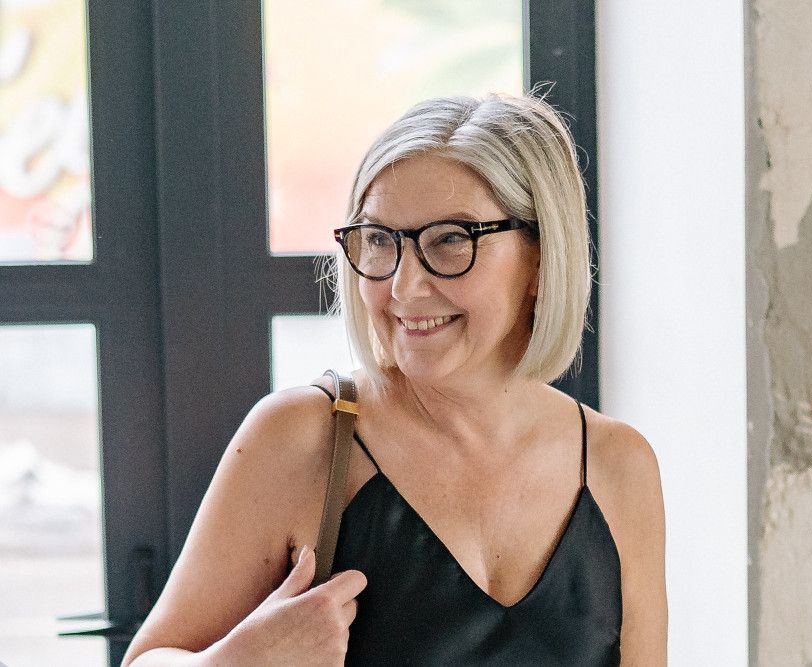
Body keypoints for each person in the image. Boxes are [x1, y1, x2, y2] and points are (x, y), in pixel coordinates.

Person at [122, 93, 667, 666]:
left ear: (541, 256)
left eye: (451, 239)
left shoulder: (617, 465)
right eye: (380, 240)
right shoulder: (300, 440)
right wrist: (232, 664)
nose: (404, 288)